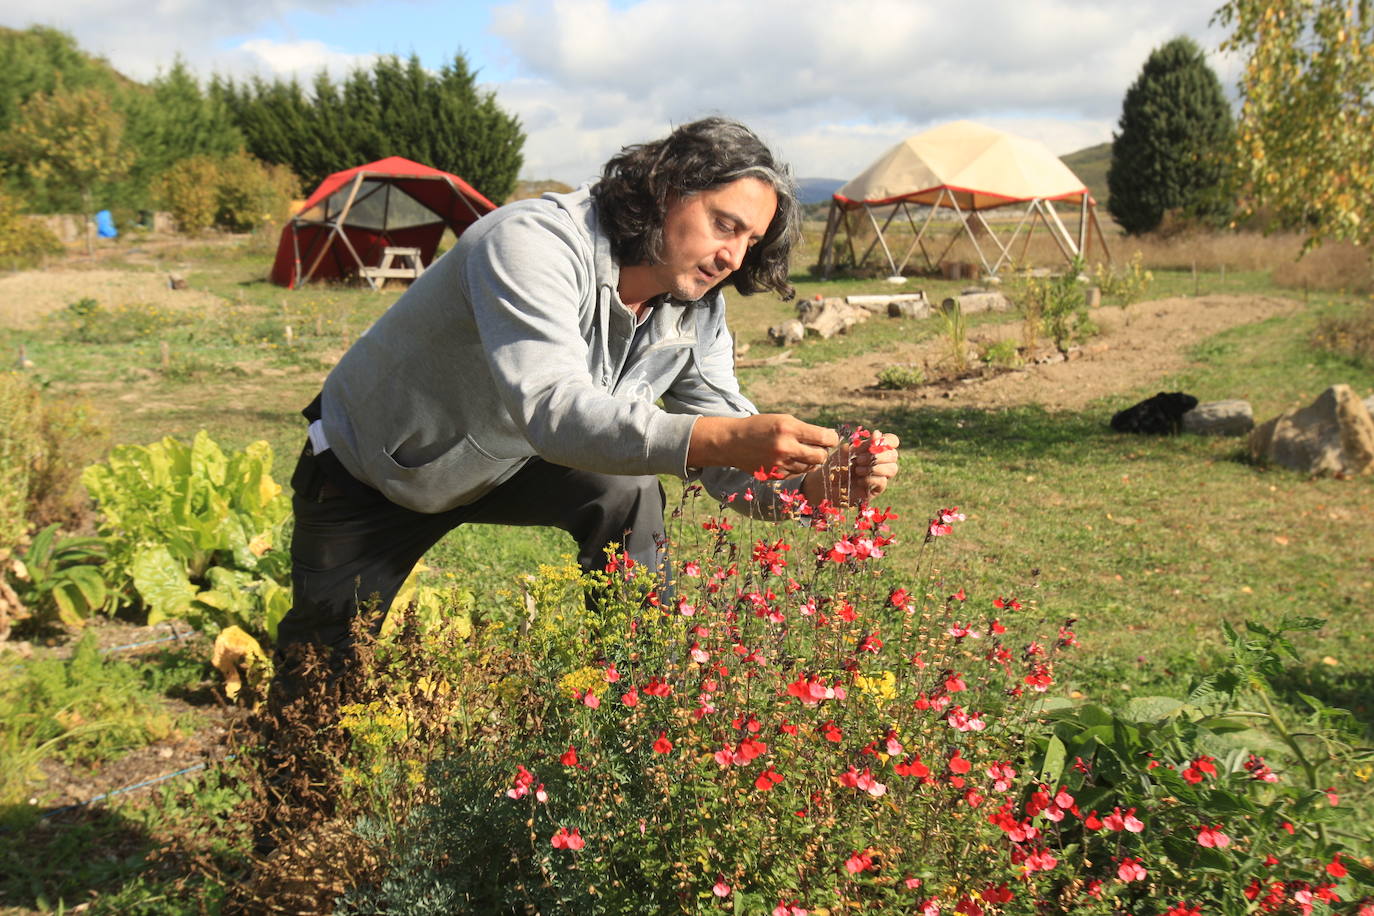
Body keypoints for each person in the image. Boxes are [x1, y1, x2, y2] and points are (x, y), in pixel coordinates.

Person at [272, 116, 900, 681]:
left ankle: (633, 698)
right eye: (723, 224)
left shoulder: (696, 308)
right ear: (664, 191)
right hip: (370, 470)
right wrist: (715, 438)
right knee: (322, 674)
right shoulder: (530, 242)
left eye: (749, 241)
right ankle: (298, 802)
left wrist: (812, 488)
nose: (732, 257)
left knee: (626, 493)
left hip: (510, 458)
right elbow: (553, 407)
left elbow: (729, 437)